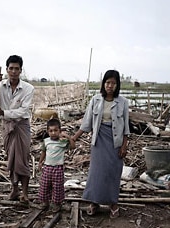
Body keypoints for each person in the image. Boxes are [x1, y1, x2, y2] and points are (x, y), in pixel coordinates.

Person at [72, 69, 130, 219]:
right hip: (99, 140)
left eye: (113, 83)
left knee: (113, 172)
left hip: (115, 141)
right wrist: (74, 138)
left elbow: (126, 128)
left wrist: (124, 145)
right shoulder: (95, 100)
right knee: (96, 173)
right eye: (107, 82)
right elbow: (86, 123)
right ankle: (94, 202)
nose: (110, 86)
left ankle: (113, 204)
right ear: (103, 84)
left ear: (117, 85)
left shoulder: (123, 102)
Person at [0, 55, 35, 203]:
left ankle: (25, 193)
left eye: (16, 69)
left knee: (23, 159)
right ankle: (14, 189)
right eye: (11, 68)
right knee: (11, 159)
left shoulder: (28, 88)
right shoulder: (0, 86)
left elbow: (24, 111)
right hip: (7, 126)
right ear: (7, 70)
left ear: (21, 70)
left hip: (21, 126)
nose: (13, 71)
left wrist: (4, 112)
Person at [38, 118, 75, 212]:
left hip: (58, 168)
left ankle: (56, 204)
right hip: (47, 167)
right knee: (44, 186)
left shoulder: (62, 142)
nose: (53, 133)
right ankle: (45, 202)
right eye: (51, 131)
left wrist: (68, 137)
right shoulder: (46, 141)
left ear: (60, 131)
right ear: (47, 131)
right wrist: (40, 162)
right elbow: (43, 152)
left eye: (55, 130)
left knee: (57, 187)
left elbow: (73, 147)